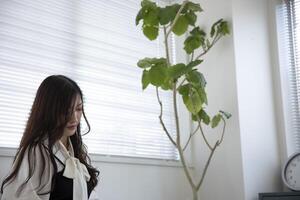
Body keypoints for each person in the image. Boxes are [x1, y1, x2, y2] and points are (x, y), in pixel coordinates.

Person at [0, 75, 100, 200]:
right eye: (66, 111)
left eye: (79, 109)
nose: (74, 118)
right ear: (48, 111)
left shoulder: (78, 149)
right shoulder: (36, 152)